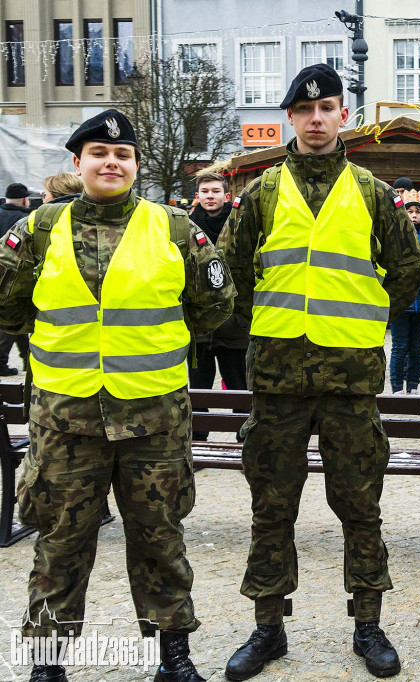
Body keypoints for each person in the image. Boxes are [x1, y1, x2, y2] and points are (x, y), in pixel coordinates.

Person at [0, 109, 235, 682]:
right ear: (77, 164)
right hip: (65, 421)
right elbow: (4, 304)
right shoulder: (37, 228)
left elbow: (216, 305)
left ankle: (172, 659)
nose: (111, 162)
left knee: (160, 541)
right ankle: (47, 665)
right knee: (59, 545)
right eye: (99, 155)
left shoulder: (176, 228)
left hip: (153, 420)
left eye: (123, 154)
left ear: (136, 165)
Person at [218, 64, 420, 680]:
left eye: (327, 108)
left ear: (342, 116)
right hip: (278, 383)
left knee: (361, 507)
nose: (316, 119)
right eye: (305, 111)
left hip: (349, 380)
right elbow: (228, 270)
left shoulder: (370, 191)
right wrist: (262, 324)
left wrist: (366, 321)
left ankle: (369, 625)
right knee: (272, 508)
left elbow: (408, 268)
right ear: (291, 118)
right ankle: (267, 630)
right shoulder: (259, 191)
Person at [188, 172, 248, 440]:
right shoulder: (186, 228)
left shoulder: (239, 226)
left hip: (233, 323)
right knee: (198, 387)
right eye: (204, 191)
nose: (209, 196)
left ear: (226, 196)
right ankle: (199, 439)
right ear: (198, 196)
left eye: (214, 191)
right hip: (199, 323)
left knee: (238, 385)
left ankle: (243, 437)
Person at [390, 189, 420, 394]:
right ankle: (396, 387)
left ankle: (412, 386)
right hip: (401, 301)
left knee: (417, 347)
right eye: (410, 211)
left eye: (417, 212)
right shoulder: (395, 234)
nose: (414, 215)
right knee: (399, 347)